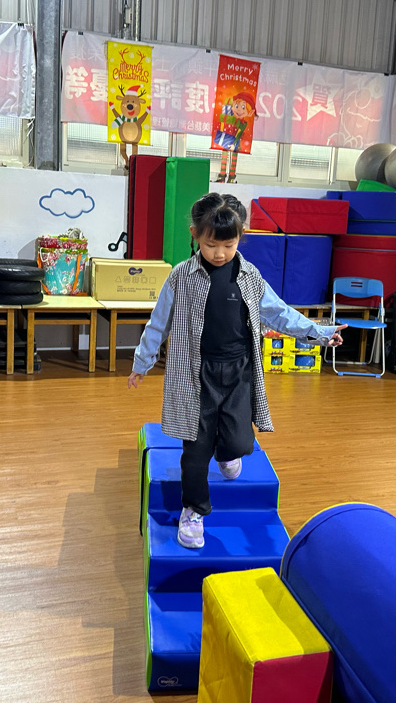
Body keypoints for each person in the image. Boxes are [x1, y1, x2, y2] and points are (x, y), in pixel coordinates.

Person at [128, 193, 346, 549]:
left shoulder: (249, 275)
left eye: (228, 245)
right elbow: (159, 321)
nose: (219, 254)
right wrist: (142, 361)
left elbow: (279, 313)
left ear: (240, 238)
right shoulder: (182, 276)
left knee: (240, 442)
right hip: (195, 375)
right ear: (195, 235)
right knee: (195, 450)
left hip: (238, 372)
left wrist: (320, 333)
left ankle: (227, 453)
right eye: (211, 245)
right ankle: (193, 510)